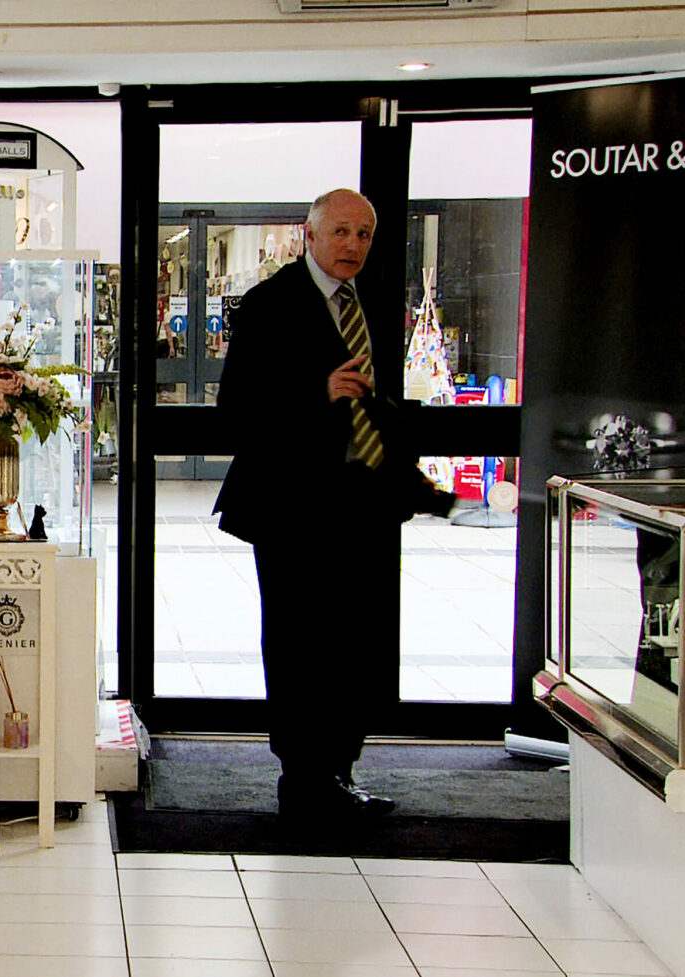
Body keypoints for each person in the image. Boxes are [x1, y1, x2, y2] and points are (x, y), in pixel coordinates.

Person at [213, 188, 452, 823]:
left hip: (363, 501)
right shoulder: (270, 304)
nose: (353, 246)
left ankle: (340, 770)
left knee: (357, 641)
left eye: (364, 235)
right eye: (341, 232)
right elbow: (235, 411)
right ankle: (303, 774)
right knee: (299, 642)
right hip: (293, 505)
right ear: (310, 235)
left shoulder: (372, 302)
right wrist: (314, 391)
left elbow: (380, 403)